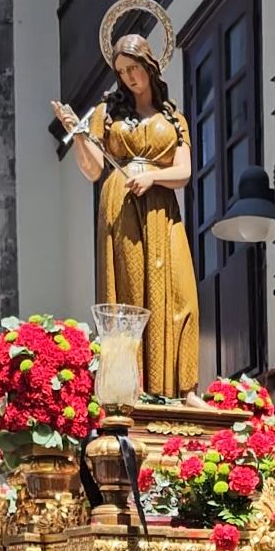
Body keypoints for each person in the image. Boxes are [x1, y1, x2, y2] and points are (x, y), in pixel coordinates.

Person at [53, 30, 199, 398]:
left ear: (149, 65)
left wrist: (152, 177)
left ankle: (184, 386)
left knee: (181, 293)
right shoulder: (108, 114)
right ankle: (134, 388)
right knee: (132, 295)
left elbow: (183, 171)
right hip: (123, 207)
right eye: (121, 71)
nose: (129, 77)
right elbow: (92, 169)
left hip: (162, 210)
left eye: (134, 67)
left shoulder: (174, 118)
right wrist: (79, 135)